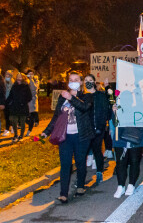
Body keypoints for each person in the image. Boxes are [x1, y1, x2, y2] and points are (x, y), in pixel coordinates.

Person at [41, 72, 95, 203]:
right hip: (65, 136)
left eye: (76, 79)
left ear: (81, 82)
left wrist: (71, 97)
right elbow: (56, 117)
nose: (73, 82)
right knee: (65, 164)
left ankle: (80, 186)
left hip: (81, 136)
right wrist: (46, 132)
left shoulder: (86, 96)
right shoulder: (62, 97)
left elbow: (84, 107)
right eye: (71, 80)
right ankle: (63, 193)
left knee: (80, 162)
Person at [110, 105, 143, 198]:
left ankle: (131, 184)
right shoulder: (120, 103)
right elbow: (115, 122)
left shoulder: (140, 102)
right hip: (121, 137)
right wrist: (114, 112)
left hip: (136, 135)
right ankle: (120, 186)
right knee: (120, 163)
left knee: (134, 162)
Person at [84, 74, 111, 185]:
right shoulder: (82, 96)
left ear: (94, 82)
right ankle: (81, 177)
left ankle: (99, 172)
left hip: (98, 129)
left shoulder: (100, 95)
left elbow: (110, 100)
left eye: (90, 80)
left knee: (97, 150)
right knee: (82, 153)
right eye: (86, 80)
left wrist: (107, 86)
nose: (88, 82)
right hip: (84, 129)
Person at [6, 72, 32, 142]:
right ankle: (15, 135)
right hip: (14, 106)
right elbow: (10, 96)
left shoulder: (26, 86)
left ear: (23, 78)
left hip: (23, 107)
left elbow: (29, 97)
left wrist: (23, 102)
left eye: (20, 76)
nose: (18, 77)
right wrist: (6, 103)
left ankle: (21, 136)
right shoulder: (14, 86)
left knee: (22, 122)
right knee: (14, 121)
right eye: (17, 76)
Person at [26, 70, 39, 136]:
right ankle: (31, 123)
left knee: (32, 115)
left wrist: (31, 80)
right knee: (25, 116)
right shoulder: (25, 80)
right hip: (26, 100)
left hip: (33, 100)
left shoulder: (36, 81)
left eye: (32, 74)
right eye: (29, 74)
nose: (30, 75)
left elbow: (34, 88)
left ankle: (29, 130)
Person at [2, 71, 14, 136]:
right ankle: (10, 127)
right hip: (4, 101)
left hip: (11, 102)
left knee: (10, 116)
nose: (7, 76)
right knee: (6, 116)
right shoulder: (3, 82)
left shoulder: (13, 82)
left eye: (9, 75)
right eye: (6, 74)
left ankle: (8, 129)